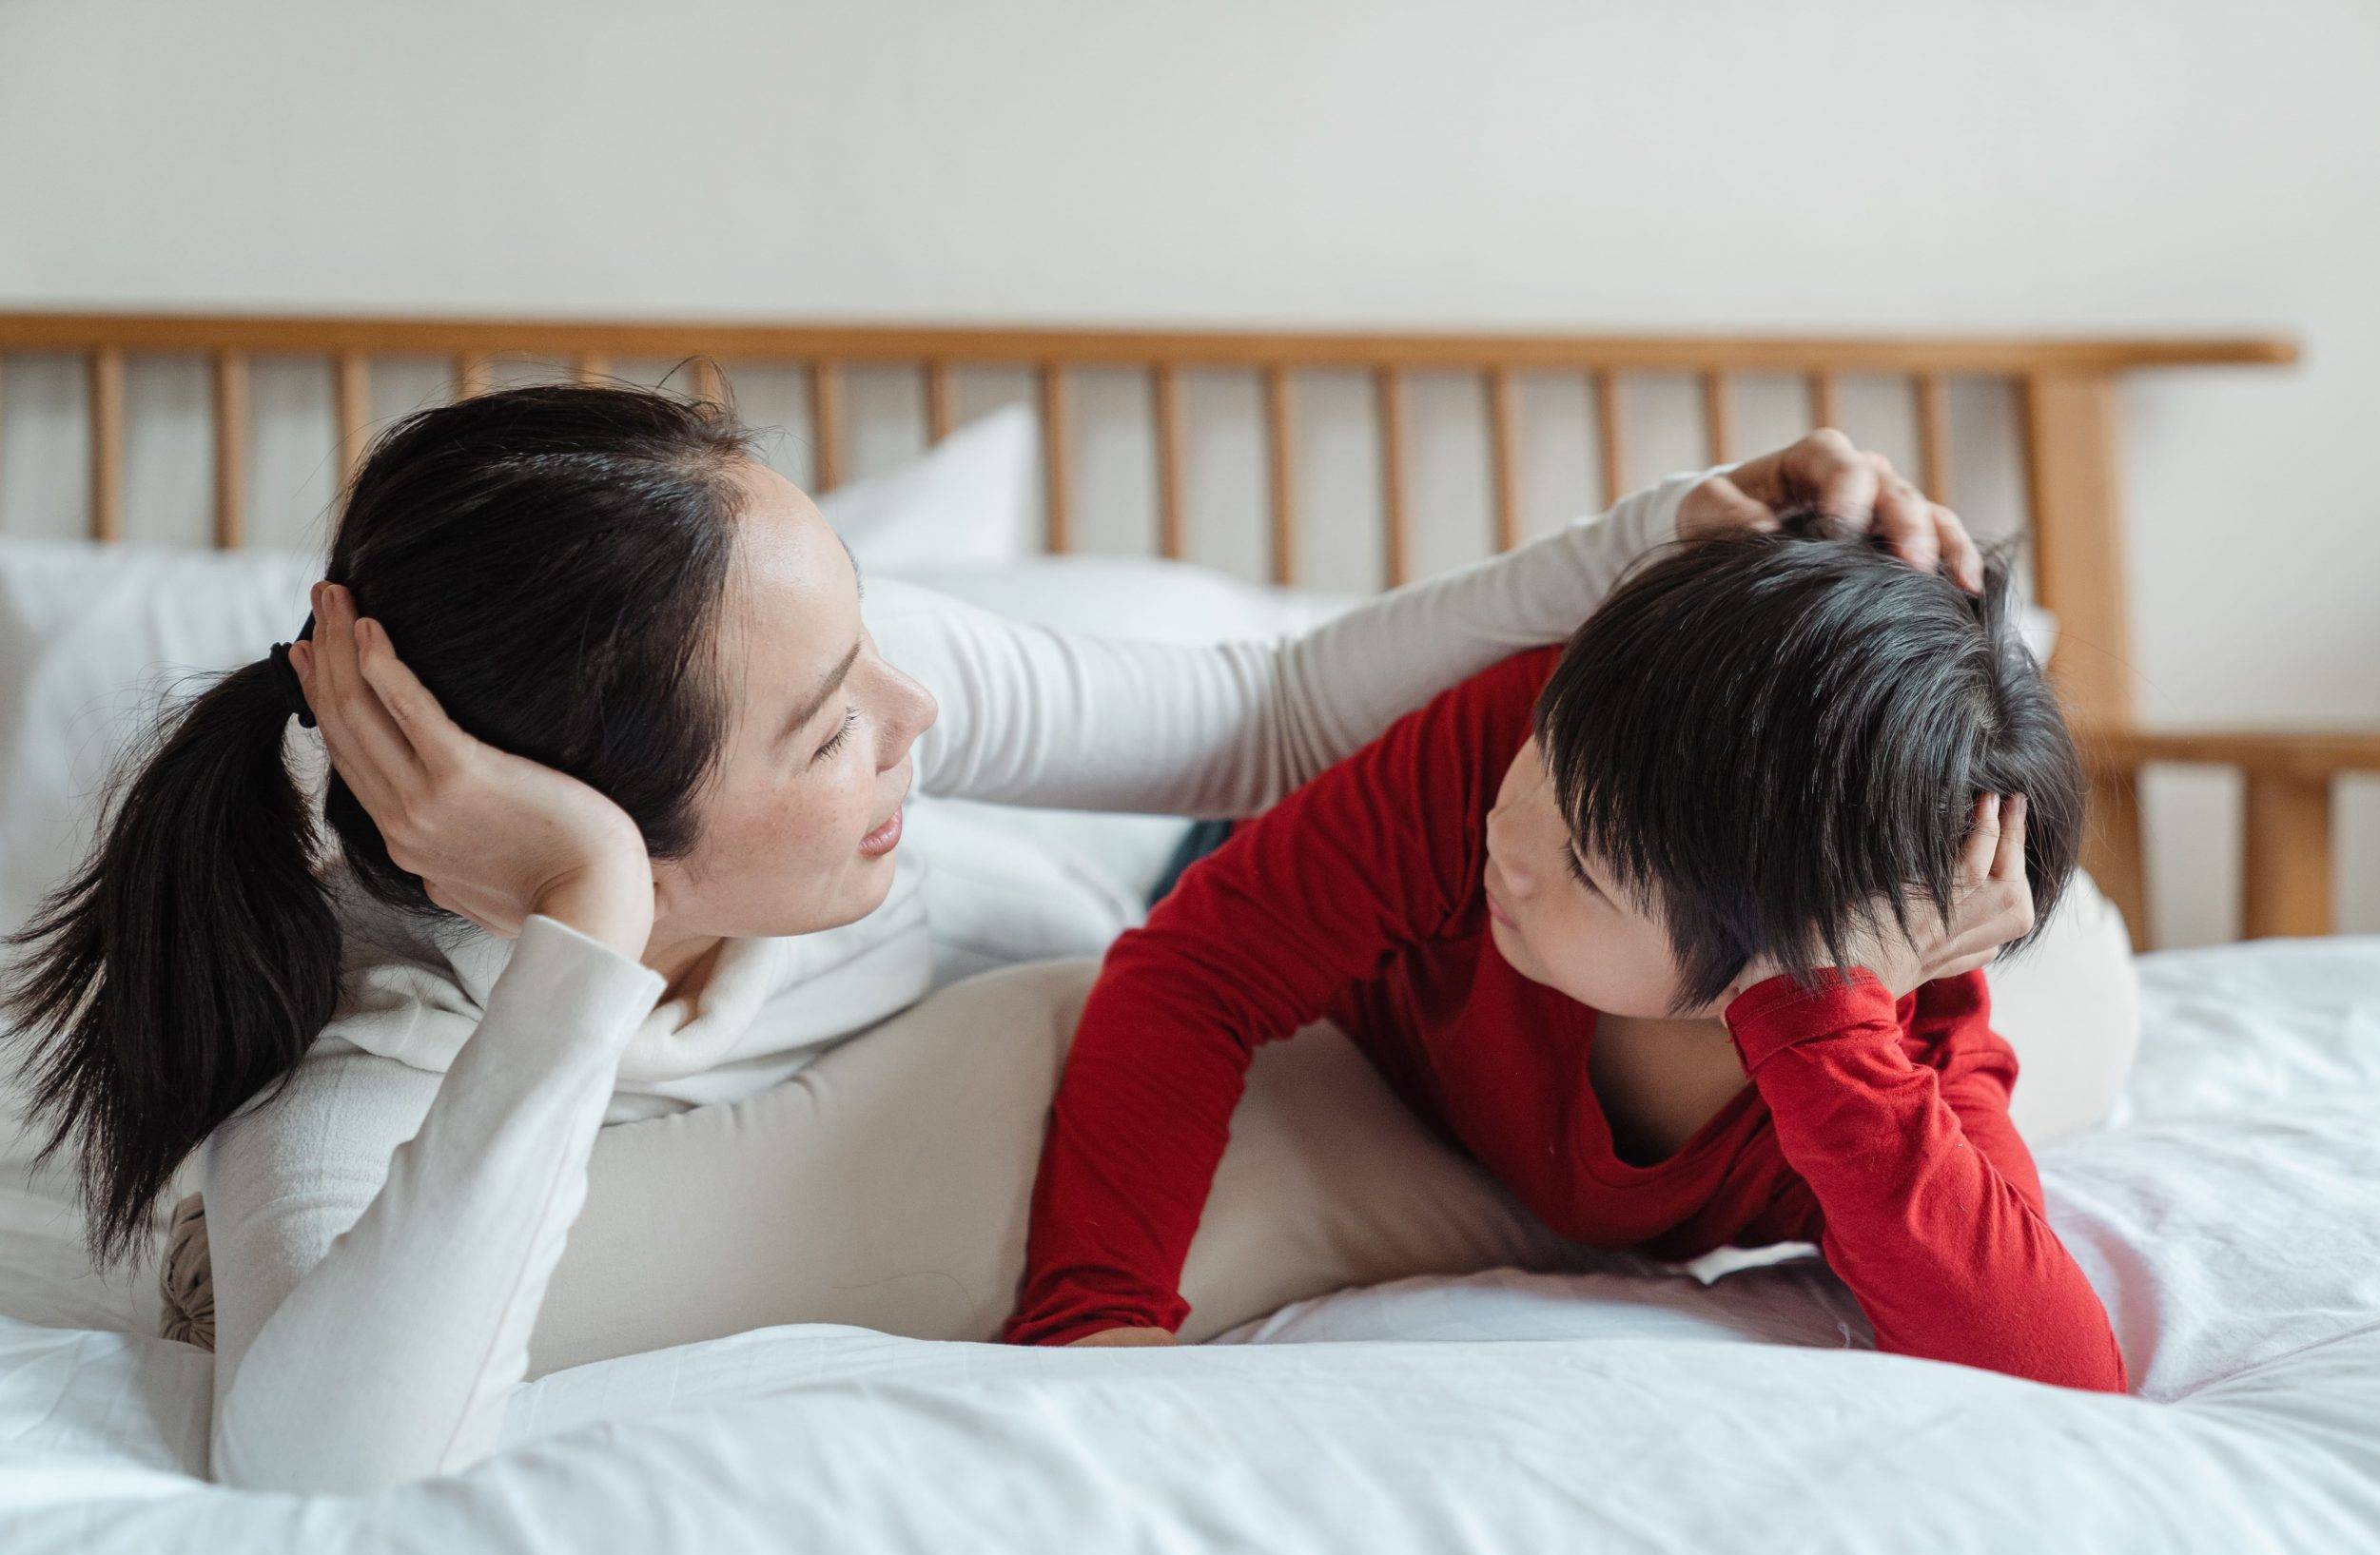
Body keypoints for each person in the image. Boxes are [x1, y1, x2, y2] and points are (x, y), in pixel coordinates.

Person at [2, 383, 1980, 1492]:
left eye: (873, 632)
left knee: (1951, 947)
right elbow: (320, 1462)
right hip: (1161, 960)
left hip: (1218, 895)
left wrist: (1659, 546)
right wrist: (586, 933)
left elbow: (1272, 715)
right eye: (829, 721)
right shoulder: (356, 1047)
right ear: (609, 820)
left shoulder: (849, 685)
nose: (919, 716)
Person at [1003, 519, 2127, 1393]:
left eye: (1588, 867)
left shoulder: (1885, 1044)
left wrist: (1825, 1024)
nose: (1514, 835)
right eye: (1547, 751)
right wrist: (1095, 1310)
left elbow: (2063, 1382)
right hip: (1272, 850)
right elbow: (1197, 968)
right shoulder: (1503, 751)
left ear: (1779, 963)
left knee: (2090, 976)